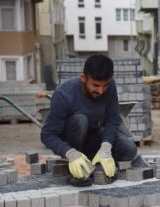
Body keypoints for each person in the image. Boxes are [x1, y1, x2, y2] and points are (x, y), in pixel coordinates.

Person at [41, 54, 137, 186]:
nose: (101, 91)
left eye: (105, 85)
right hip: (71, 140)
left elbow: (113, 119)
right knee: (80, 120)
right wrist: (70, 153)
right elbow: (47, 135)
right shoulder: (64, 94)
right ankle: (77, 168)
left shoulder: (109, 86)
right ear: (83, 78)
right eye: (96, 85)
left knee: (129, 150)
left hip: (92, 135)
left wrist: (106, 147)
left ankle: (94, 161)